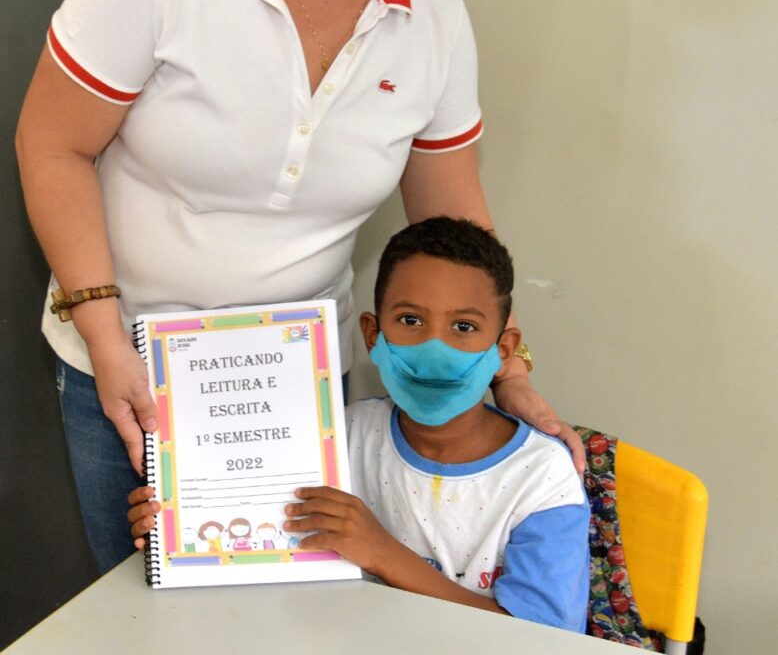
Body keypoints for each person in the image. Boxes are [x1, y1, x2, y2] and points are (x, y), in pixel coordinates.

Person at [15, 0, 583, 575]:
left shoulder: (435, 20)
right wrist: (102, 333)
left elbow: (452, 218)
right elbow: (52, 144)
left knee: (297, 611)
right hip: (126, 366)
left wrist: (507, 370)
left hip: (297, 387)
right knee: (140, 606)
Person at [129, 218, 590, 630]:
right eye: (410, 319)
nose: (434, 349)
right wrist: (181, 529)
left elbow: (545, 640)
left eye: (463, 327)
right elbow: (263, 565)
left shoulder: (543, 479)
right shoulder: (334, 438)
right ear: (372, 334)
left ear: (503, 350)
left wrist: (384, 554)